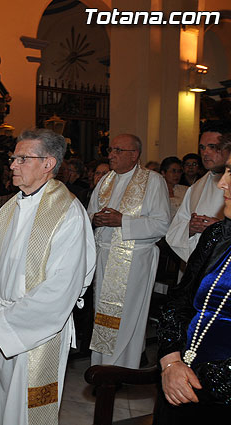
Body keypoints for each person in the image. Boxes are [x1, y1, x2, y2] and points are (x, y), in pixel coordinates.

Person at [0, 128, 95, 424]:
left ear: (48, 163)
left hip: (38, 328)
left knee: (30, 411)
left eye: (22, 158)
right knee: (3, 403)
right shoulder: (9, 209)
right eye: (13, 158)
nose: (13, 165)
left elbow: (62, 287)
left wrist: (6, 322)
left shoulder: (68, 212)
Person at [155, 148, 231, 424]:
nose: (222, 182)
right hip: (177, 382)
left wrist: (200, 379)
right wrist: (171, 362)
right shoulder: (217, 235)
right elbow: (179, 300)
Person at [88, 133, 171, 368]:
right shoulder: (105, 181)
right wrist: (97, 219)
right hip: (103, 256)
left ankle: (122, 369)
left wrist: (122, 221)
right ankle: (101, 367)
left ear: (134, 155)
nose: (111, 155)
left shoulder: (152, 181)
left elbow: (162, 223)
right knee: (102, 316)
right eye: (110, 150)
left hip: (133, 260)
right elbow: (89, 214)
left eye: (117, 150)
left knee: (126, 318)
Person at [166, 124, 231, 262]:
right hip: (200, 266)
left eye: (212, 147)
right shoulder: (196, 188)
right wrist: (189, 229)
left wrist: (220, 229)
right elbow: (175, 230)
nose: (205, 153)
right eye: (202, 148)